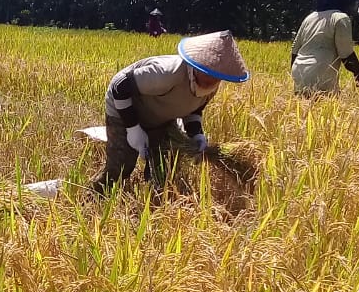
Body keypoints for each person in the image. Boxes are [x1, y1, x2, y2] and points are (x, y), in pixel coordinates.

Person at [91, 30, 250, 193]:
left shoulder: (211, 87)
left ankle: (152, 199)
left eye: (217, 77)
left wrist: (197, 134)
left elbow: (193, 109)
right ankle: (93, 195)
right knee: (121, 166)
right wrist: (133, 128)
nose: (212, 80)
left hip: (162, 117)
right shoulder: (168, 73)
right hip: (125, 109)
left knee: (163, 170)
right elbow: (120, 86)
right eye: (208, 73)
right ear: (198, 65)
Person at [290, 0, 359, 95]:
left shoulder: (310, 17)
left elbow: (295, 50)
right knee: (333, 109)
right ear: (343, 0)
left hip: (298, 73)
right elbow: (346, 54)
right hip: (321, 74)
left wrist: (298, 76)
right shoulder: (340, 18)